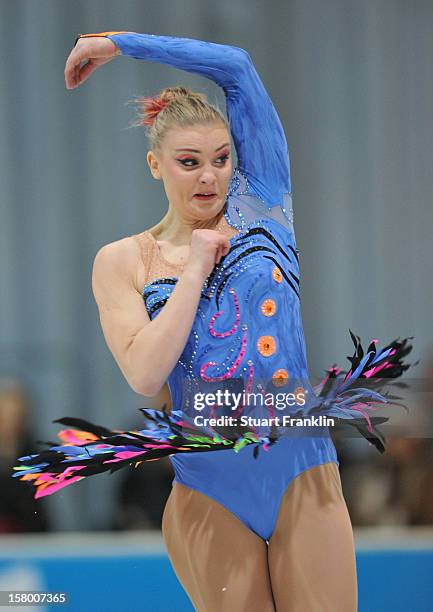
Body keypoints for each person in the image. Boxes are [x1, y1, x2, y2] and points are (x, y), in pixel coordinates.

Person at [12, 31, 414, 611]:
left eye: (222, 159)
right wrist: (196, 267)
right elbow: (145, 376)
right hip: (210, 487)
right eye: (189, 162)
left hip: (301, 466)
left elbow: (238, 67)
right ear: (156, 165)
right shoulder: (124, 260)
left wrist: (118, 44)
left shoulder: (264, 207)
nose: (209, 177)